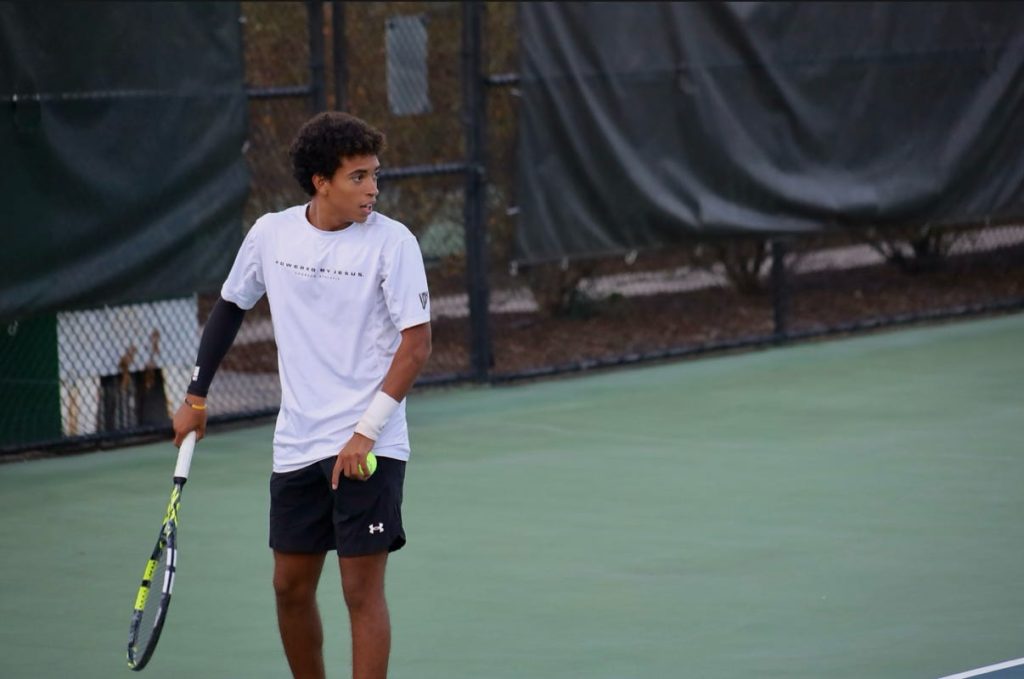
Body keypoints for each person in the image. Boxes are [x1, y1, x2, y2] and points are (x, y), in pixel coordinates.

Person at [172, 111, 432, 679]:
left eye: (375, 174)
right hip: (296, 442)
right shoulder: (272, 234)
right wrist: (196, 395)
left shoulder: (394, 244)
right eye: (358, 177)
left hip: (369, 444)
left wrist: (366, 431)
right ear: (321, 182)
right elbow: (231, 306)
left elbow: (416, 347)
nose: (373, 188)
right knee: (289, 587)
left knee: (360, 591)